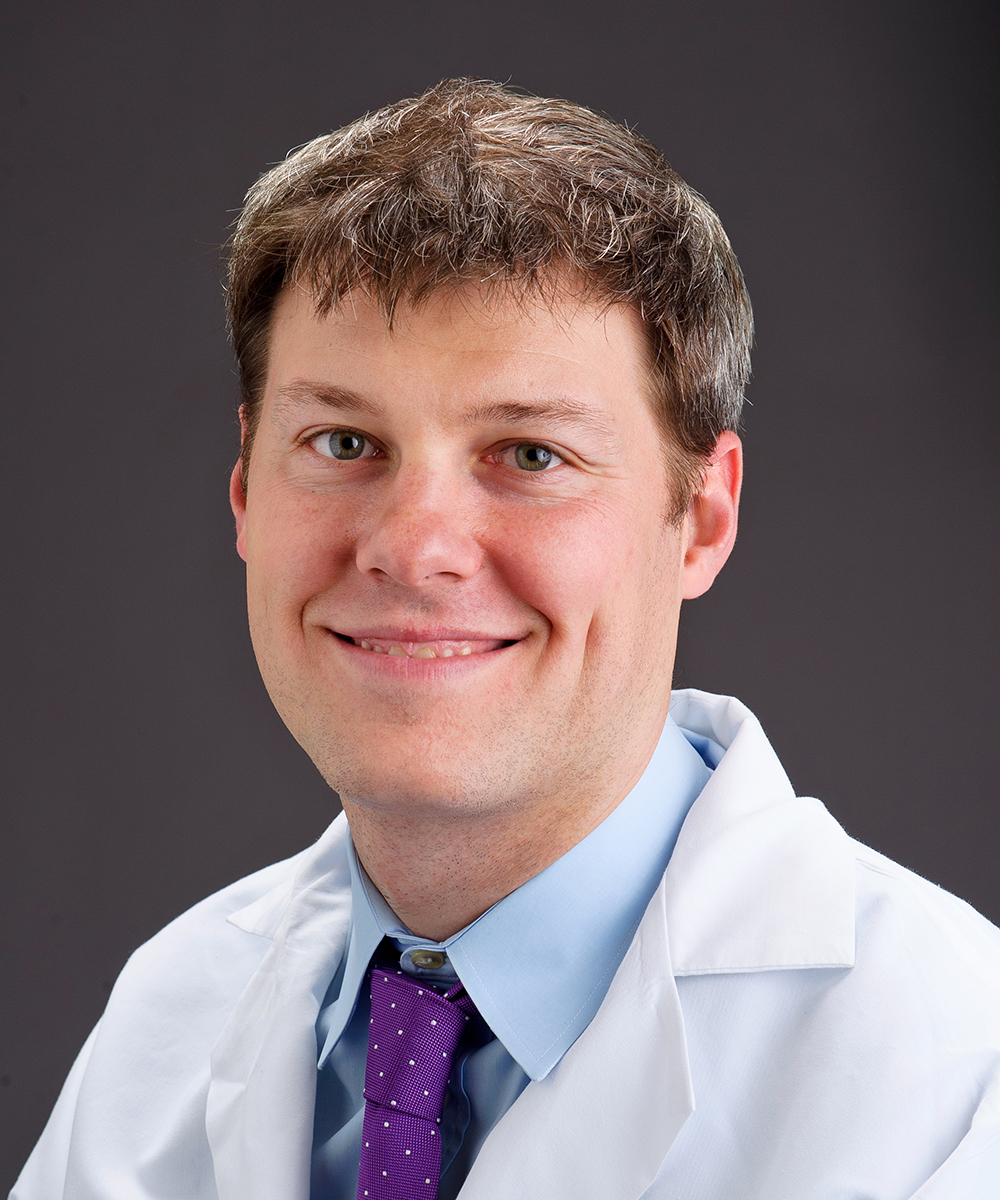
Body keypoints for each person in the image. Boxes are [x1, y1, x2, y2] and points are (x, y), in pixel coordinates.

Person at [12, 78, 1000, 1200]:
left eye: (531, 455)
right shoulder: (168, 1018)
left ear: (702, 518)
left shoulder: (954, 1079)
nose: (412, 548)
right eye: (342, 442)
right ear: (245, 491)